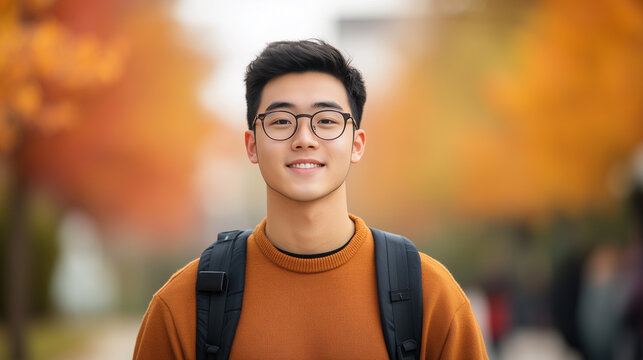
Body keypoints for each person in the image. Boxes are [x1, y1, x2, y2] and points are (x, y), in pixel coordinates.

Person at [132, 39, 488, 360]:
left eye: (327, 121)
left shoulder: (430, 297)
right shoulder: (184, 305)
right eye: (282, 121)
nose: (305, 138)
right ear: (252, 145)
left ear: (357, 144)